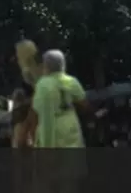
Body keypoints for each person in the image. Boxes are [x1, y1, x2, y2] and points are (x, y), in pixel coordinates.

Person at [28, 50, 89, 193]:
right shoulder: (71, 82)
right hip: (70, 138)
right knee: (70, 184)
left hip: (49, 140)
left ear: (46, 66)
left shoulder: (42, 85)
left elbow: (35, 114)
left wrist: (31, 135)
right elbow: (85, 105)